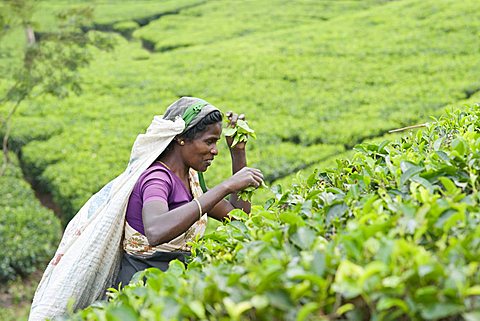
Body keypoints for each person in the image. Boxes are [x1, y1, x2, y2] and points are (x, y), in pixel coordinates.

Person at [116, 97, 264, 285]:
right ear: (181, 139)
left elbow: (238, 217)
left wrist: (238, 153)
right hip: (141, 288)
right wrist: (225, 186)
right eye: (209, 142)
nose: (215, 151)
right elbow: (155, 230)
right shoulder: (157, 179)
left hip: (173, 284)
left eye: (216, 143)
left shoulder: (191, 179)